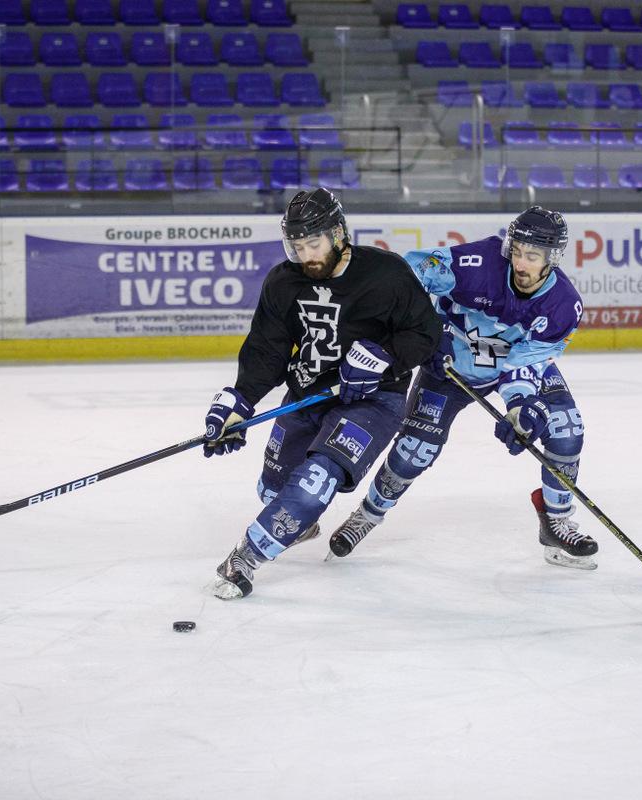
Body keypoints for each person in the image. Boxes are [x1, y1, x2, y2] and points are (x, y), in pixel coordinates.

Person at [329, 206, 599, 570]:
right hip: (448, 364)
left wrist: (520, 408)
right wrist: (426, 330)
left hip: (509, 366)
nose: (520, 264)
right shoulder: (478, 264)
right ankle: (368, 514)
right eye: (517, 251)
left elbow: (524, 362)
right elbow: (406, 275)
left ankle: (556, 520)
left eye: (532, 256)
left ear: (552, 258)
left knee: (566, 429)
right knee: (414, 451)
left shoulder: (563, 305)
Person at [203, 187, 441, 599]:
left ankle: (246, 558)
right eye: (297, 247)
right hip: (308, 394)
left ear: (338, 234)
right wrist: (239, 401)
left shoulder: (386, 274)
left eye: (314, 244)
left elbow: (425, 332)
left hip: (373, 400)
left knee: (317, 479)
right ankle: (300, 523)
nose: (307, 256)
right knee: (273, 492)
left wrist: (385, 356)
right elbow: (267, 351)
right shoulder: (283, 282)